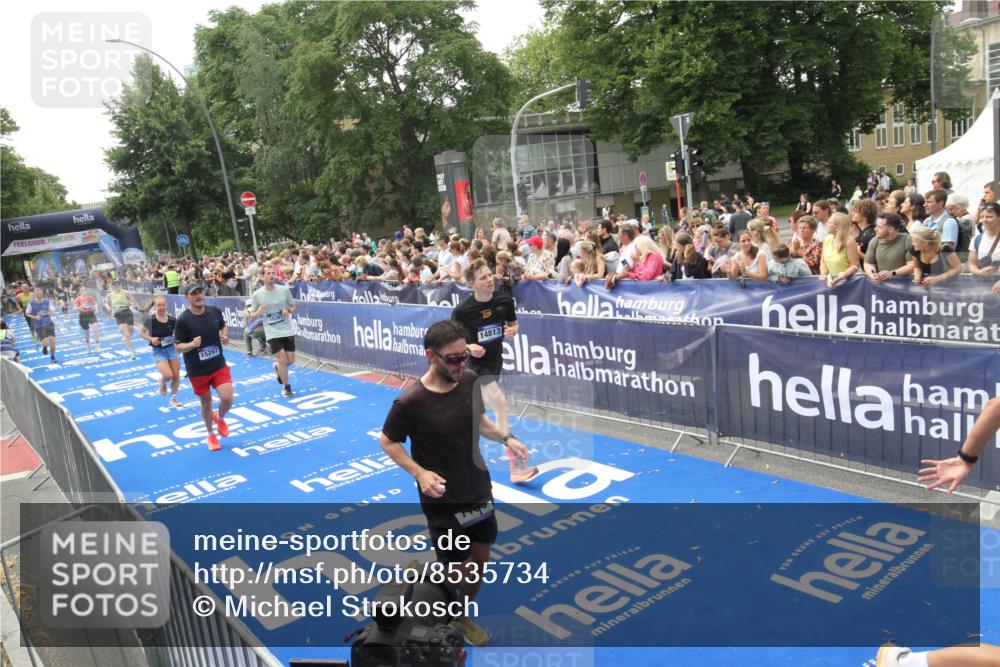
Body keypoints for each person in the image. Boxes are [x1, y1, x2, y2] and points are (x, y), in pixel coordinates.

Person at [379, 319, 533, 647]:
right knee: (455, 567)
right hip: (443, 502)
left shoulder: (470, 380)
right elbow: (388, 442)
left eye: (464, 356)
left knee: (479, 560)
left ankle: (459, 610)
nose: (461, 363)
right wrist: (419, 473)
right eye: (453, 358)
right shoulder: (410, 402)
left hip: (477, 487)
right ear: (431, 356)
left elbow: (478, 421)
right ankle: (452, 609)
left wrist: (507, 437)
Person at [452, 260, 536, 484]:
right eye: (483, 278)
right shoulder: (462, 311)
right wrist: (469, 347)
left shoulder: (505, 300)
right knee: (500, 404)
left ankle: (456, 454)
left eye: (490, 275)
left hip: (494, 361)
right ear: (472, 283)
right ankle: (515, 460)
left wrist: (512, 332)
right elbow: (454, 340)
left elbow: (514, 325)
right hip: (471, 365)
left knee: (475, 418)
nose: (489, 280)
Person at [174, 285, 233, 451]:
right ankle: (210, 435)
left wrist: (224, 335)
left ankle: (220, 418)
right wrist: (191, 344)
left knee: (227, 398)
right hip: (197, 369)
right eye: (194, 294)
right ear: (187, 298)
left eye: (200, 292)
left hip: (218, 364)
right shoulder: (183, 320)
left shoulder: (214, 312)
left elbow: (223, 326)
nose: (198, 296)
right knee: (206, 404)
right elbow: (177, 347)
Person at [251, 263, 297, 397]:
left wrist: (288, 311)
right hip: (271, 331)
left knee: (291, 361)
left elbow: (293, 306)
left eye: (272, 273)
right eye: (268, 273)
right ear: (262, 276)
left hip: (286, 329)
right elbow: (251, 314)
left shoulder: (284, 290)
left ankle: (278, 368)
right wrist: (258, 311)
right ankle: (286, 387)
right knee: (282, 358)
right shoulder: (258, 294)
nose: (271, 276)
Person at [140, 295, 183, 408]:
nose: (162, 307)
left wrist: (177, 339)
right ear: (155, 306)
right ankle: (162, 382)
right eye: (159, 305)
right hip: (159, 351)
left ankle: (173, 399)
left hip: (172, 350)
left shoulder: (173, 320)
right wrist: (151, 339)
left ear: (166, 306)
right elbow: (142, 333)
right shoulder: (150, 320)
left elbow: (178, 333)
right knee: (168, 375)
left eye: (163, 305)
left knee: (176, 376)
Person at [864, 213, 915, 284]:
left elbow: (912, 265)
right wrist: (872, 274)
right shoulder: (874, 241)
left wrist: (892, 273)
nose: (875, 229)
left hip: (904, 288)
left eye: (879, 227)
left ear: (891, 229)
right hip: (882, 287)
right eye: (876, 226)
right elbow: (868, 263)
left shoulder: (907, 240)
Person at [820, 212, 862, 288]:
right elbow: (823, 261)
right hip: (832, 283)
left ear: (837, 227)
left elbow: (855, 265)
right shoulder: (827, 239)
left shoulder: (849, 241)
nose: (826, 224)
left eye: (829, 223)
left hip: (849, 283)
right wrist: (824, 273)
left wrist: (841, 277)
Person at [967, 202, 1000, 295]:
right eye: (982, 217)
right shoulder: (977, 239)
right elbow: (971, 264)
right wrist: (979, 272)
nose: (984, 220)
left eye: (989, 217)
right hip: (984, 290)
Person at [106, 281, 138, 360]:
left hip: (127, 312)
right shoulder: (109, 295)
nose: (116, 286)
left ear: (120, 285)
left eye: (118, 285)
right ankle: (132, 352)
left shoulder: (126, 292)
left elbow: (133, 301)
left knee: (130, 332)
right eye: (114, 285)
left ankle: (126, 337)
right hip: (118, 315)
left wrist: (130, 302)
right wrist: (110, 309)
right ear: (112, 286)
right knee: (126, 334)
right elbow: (107, 304)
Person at [26, 285, 57, 364]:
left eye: (40, 292)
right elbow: (27, 313)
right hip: (39, 325)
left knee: (52, 341)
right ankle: (44, 347)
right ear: (34, 294)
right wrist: (35, 317)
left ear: (42, 293)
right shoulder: (31, 303)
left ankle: (53, 356)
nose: (38, 294)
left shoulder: (47, 302)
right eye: (37, 293)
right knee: (46, 342)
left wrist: (47, 312)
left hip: (49, 323)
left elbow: (53, 313)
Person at [73, 285, 101, 353]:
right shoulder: (78, 299)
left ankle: (98, 345)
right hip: (83, 316)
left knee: (96, 329)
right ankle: (88, 346)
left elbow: (95, 304)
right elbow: (74, 309)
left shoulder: (89, 298)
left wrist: (96, 309)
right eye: (82, 290)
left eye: (84, 290)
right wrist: (81, 306)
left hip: (91, 314)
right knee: (87, 333)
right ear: (79, 291)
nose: (83, 291)